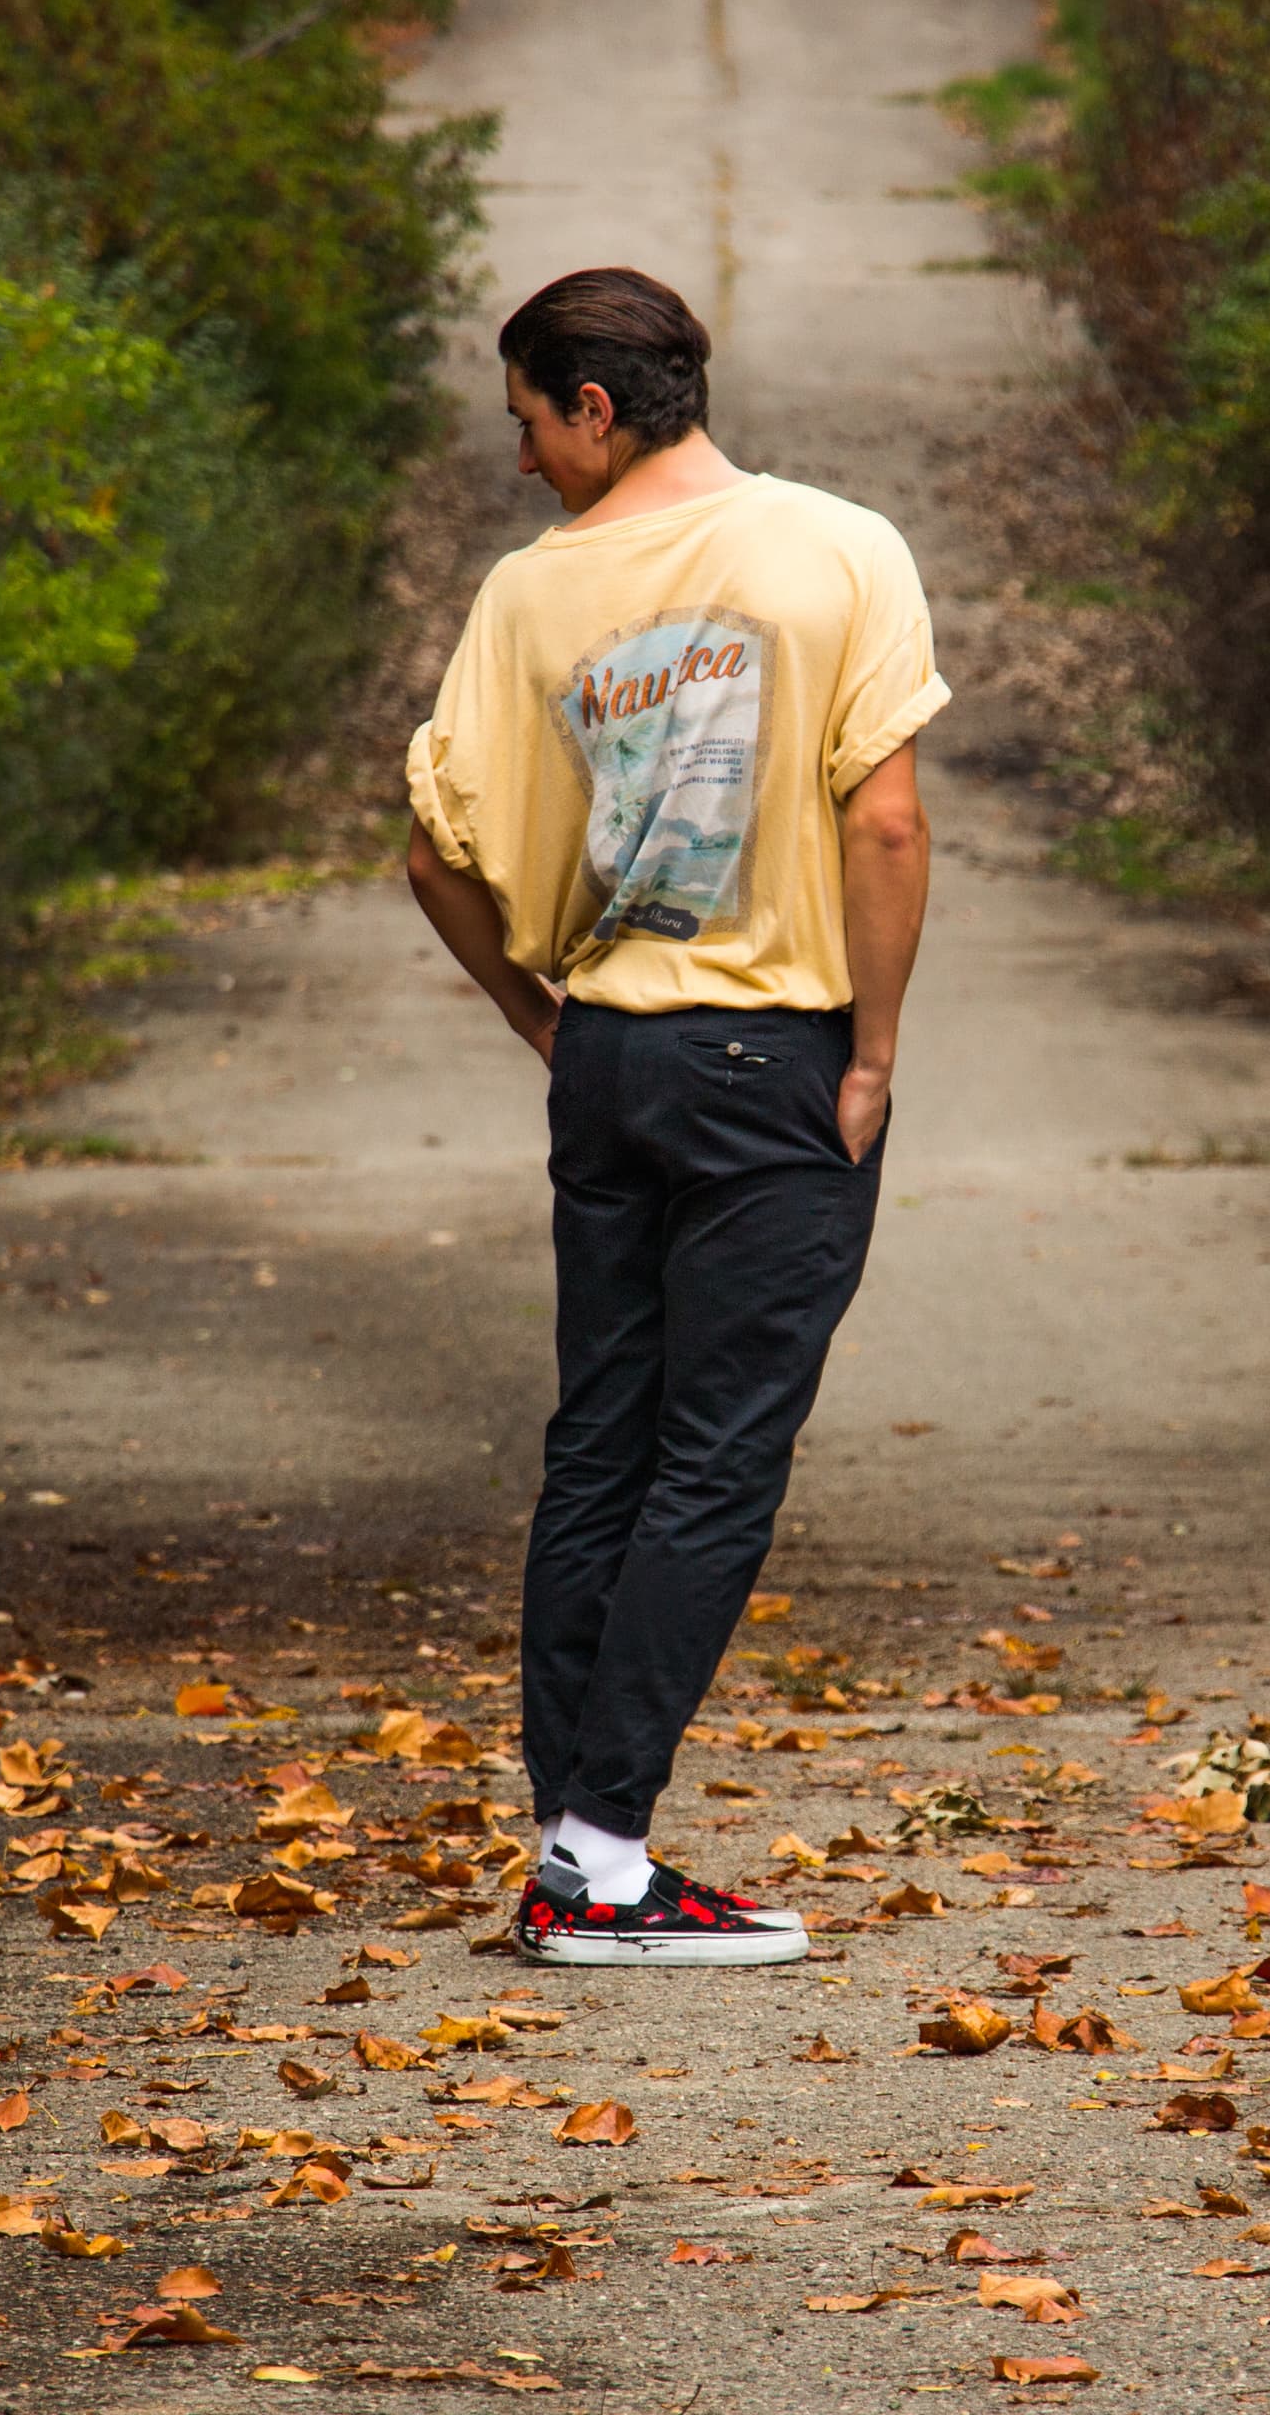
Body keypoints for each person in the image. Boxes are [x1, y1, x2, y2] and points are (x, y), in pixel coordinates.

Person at [403, 267, 943, 1967]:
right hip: (771, 1056)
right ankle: (609, 1858)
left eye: (524, 426)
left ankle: (577, 1850)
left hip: (615, 1058)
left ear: (593, 406)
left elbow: (435, 853)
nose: (518, 466)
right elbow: (890, 826)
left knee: (601, 1447)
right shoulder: (841, 547)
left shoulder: (529, 598)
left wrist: (538, 1019)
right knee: (715, 1462)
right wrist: (873, 1052)